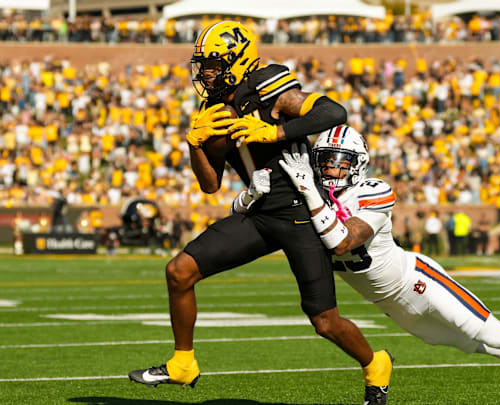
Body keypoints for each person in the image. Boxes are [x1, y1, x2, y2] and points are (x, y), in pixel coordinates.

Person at [128, 22, 393, 405]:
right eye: (203, 65)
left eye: (213, 64)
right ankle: (183, 363)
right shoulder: (211, 108)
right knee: (179, 271)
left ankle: (376, 364)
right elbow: (209, 184)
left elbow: (334, 112)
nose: (205, 73)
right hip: (258, 213)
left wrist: (274, 133)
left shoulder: (269, 87)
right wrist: (194, 145)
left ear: (237, 60)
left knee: (324, 321)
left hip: (301, 213)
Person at [276, 125, 500, 405]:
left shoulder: (372, 190)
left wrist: (308, 193)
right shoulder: (312, 195)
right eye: (324, 161)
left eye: (341, 162)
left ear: (359, 164)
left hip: (416, 281)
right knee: (471, 344)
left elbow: (341, 241)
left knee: (488, 330)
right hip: (387, 301)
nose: (331, 170)